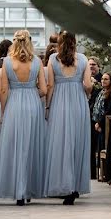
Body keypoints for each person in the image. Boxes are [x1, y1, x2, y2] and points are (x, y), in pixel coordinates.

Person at [0, 30, 47, 205]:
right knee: (31, 147)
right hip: (32, 103)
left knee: (15, 147)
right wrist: (32, 93)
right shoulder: (37, 62)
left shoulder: (7, 63)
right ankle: (28, 189)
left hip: (14, 105)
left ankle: (18, 190)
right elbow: (44, 90)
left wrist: (3, 110)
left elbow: (3, 90)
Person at [43, 31, 93, 204]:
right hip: (78, 102)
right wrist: (87, 93)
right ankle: (75, 187)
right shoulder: (83, 59)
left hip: (59, 103)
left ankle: (64, 184)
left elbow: (49, 85)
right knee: (77, 143)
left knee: (61, 143)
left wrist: (47, 107)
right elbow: (87, 84)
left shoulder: (53, 59)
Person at [92, 72, 111, 182]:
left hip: (107, 123)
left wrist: (100, 122)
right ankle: (103, 173)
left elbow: (110, 109)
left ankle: (108, 174)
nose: (103, 81)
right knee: (99, 147)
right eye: (102, 79)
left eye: (106, 79)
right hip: (99, 122)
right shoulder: (101, 92)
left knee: (106, 146)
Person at [87, 56, 102, 178]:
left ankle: (95, 171)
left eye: (94, 64)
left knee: (94, 144)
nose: (91, 66)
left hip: (96, 116)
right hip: (86, 113)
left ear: (98, 66)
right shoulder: (85, 78)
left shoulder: (101, 80)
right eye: (89, 64)